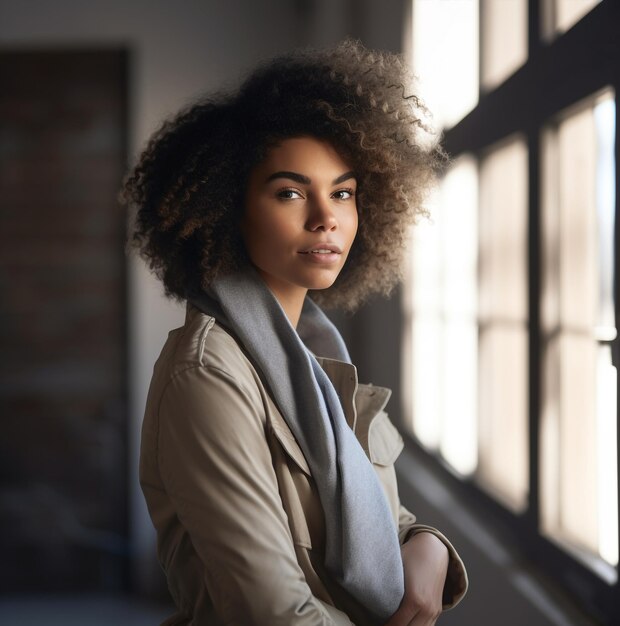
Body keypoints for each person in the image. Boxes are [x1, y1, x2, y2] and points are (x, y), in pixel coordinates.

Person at [121, 38, 468, 626]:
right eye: (289, 192)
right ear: (228, 206)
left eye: (343, 193)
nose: (325, 216)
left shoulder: (315, 353)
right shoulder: (207, 376)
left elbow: (373, 512)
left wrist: (429, 542)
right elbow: (272, 612)